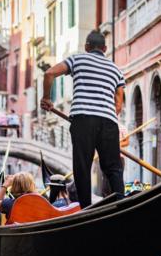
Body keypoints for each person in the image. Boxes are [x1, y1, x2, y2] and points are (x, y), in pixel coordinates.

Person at [40, 30, 126, 208]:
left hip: (83, 119)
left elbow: (49, 74)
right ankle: (121, 205)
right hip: (109, 122)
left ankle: (86, 209)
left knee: (82, 167)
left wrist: (47, 98)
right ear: (105, 48)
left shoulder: (77, 59)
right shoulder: (116, 70)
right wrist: (105, 114)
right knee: (113, 168)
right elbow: (118, 104)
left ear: (87, 47)